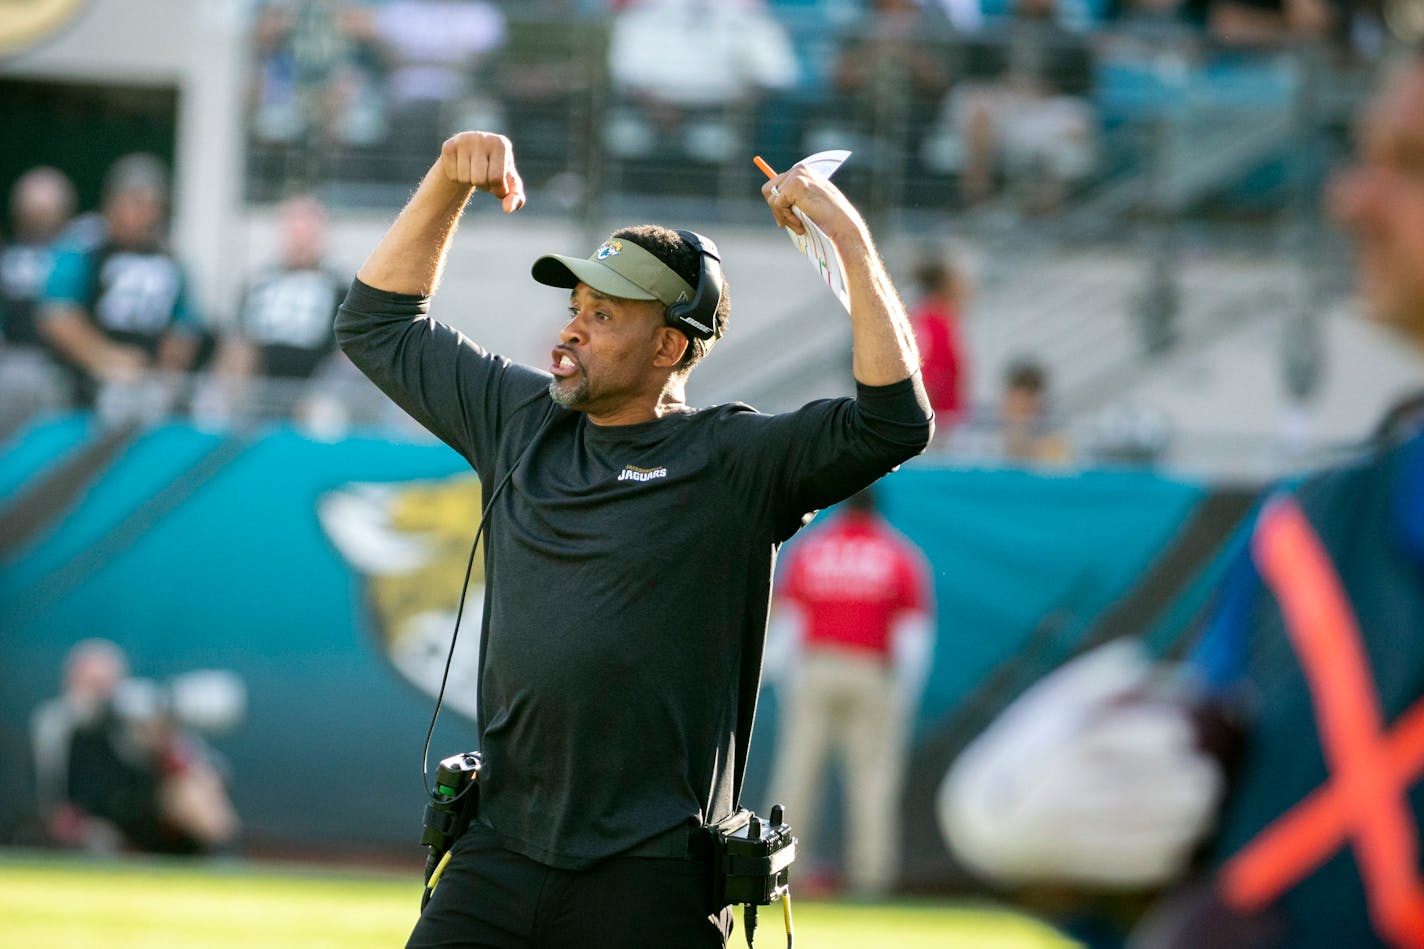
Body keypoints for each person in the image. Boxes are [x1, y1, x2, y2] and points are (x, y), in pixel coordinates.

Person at [335, 130, 932, 946]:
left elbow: (894, 421)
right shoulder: (520, 421)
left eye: (604, 313)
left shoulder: (732, 459)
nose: (571, 329)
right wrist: (444, 179)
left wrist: (851, 242)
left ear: (669, 345)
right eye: (575, 307)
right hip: (499, 851)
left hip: (651, 876)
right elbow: (376, 325)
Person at [940, 51, 1424, 948]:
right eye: (1364, 158)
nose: (1351, 200)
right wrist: (1102, 889)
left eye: (1410, 164)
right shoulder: (1309, 535)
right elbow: (1262, 880)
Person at [764, 486, 936, 897]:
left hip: (815, 666)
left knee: (797, 773)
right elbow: (914, 634)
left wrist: (782, 678)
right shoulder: (899, 554)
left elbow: (788, 624)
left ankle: (783, 873)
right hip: (872, 670)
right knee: (873, 780)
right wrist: (903, 692)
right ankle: (870, 879)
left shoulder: (813, 549)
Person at [29, 639, 242, 855]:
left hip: (149, 812)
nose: (97, 694)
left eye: (104, 684)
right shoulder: (56, 723)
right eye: (90, 682)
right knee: (92, 836)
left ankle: (224, 863)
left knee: (197, 790)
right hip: (98, 819)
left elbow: (208, 768)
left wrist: (160, 740)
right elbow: (52, 791)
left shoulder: (138, 710)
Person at [37, 153, 202, 413]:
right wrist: (103, 357)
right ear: (112, 203)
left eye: (154, 205)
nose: (147, 215)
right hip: (80, 385)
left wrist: (168, 366)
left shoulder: (167, 259)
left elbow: (185, 325)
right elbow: (57, 315)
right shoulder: (84, 246)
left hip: (146, 384)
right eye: (137, 203)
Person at [206, 195, 349, 422]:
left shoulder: (339, 288)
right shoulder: (259, 283)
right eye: (295, 231)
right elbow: (236, 339)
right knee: (216, 395)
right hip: (258, 380)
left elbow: (346, 351)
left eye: (307, 233)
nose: (300, 241)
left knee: (327, 410)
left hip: (315, 384)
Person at [0, 166, 77, 433]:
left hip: (57, 362)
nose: (41, 219)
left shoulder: (76, 254)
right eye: (34, 211)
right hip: (11, 358)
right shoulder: (8, 252)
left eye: (48, 211)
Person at [908, 254, 970, 434]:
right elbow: (928, 374)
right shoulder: (932, 321)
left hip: (946, 416)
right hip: (938, 421)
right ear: (945, 286)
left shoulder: (944, 319)